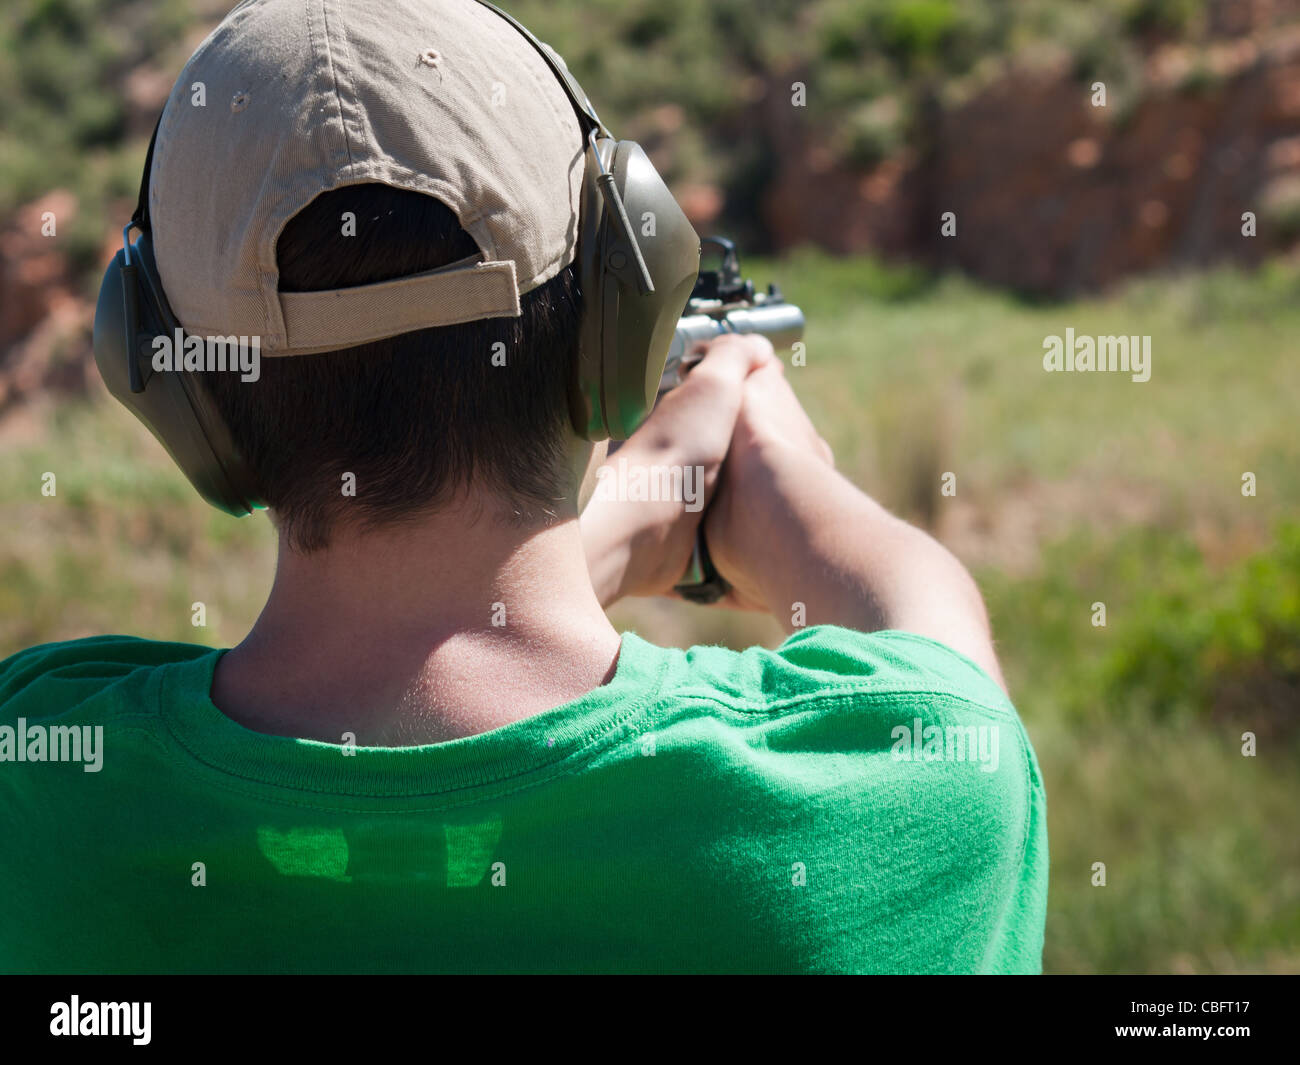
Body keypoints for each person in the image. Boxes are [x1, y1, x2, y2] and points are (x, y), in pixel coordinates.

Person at [0, 0, 1046, 973]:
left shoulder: (39, 783)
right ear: (617, 328)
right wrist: (767, 474)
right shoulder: (911, 798)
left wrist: (622, 521)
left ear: (175, 388)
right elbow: (933, 640)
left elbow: (411, 656)